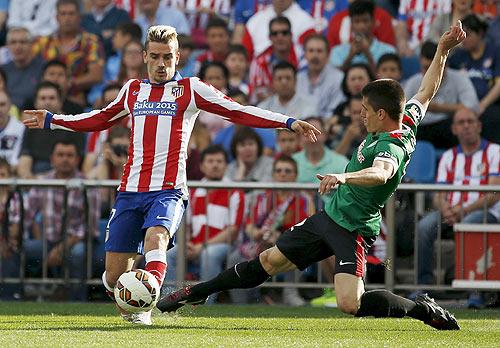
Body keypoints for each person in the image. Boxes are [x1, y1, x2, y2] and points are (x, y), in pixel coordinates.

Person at [157, 22, 466, 331]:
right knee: (267, 262)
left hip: (354, 228)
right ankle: (194, 293)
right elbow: (426, 91)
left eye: (366, 110)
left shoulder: (391, 145)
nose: (361, 115)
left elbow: (381, 173)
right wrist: (442, 49)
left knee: (350, 304)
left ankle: (421, 309)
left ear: (382, 115)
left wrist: (344, 178)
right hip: (329, 217)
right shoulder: (407, 118)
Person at [22, 25, 319, 325]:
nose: (161, 64)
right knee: (114, 277)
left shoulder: (191, 89)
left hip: (169, 190)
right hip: (130, 191)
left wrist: (287, 121)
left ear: (178, 57)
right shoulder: (132, 91)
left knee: (156, 238)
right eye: (155, 57)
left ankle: (145, 304)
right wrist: (52, 120)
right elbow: (99, 119)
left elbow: (237, 111)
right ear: (144, 57)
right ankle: (131, 297)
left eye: (167, 57)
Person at [414, 108, 500, 304]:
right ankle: (424, 287)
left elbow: (494, 193)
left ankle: (476, 291)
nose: (466, 126)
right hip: (451, 212)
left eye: (471, 121)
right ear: (453, 129)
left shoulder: (495, 152)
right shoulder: (449, 156)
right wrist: (444, 207)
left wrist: (463, 211)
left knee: (470, 223)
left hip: (484, 212)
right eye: (461, 122)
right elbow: (439, 194)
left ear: (479, 126)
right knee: (424, 226)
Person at [165, 144, 245, 304]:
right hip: (194, 244)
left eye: (219, 161)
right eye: (210, 161)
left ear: (226, 165)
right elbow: (185, 225)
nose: (215, 165)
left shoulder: (235, 192)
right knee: (168, 254)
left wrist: (202, 246)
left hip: (224, 245)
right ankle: (171, 299)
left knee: (209, 254)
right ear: (202, 165)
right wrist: (187, 242)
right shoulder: (192, 191)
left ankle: (207, 304)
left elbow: (232, 231)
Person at [22, 140, 101, 301]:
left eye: (70, 155)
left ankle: (77, 301)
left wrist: (61, 248)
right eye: (60, 155)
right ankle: (12, 296)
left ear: (77, 160)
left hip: (77, 242)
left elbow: (89, 227)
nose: (65, 159)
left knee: (78, 253)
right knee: (19, 246)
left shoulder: (88, 186)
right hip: (47, 241)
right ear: (52, 158)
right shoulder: (43, 182)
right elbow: (26, 214)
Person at [404, 40, 479, 149]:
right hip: (421, 128)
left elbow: (472, 107)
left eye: (435, 68)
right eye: (426, 68)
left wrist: (437, 108)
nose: (430, 73)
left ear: (446, 64)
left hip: (447, 127)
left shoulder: (459, 78)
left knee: (463, 123)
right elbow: (402, 111)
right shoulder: (413, 82)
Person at [32, 0, 105, 107]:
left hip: (77, 100)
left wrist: (69, 83)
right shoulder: (43, 42)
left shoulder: (91, 41)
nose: (67, 18)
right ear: (56, 17)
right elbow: (32, 71)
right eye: (63, 14)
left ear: (79, 17)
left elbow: (96, 75)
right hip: (45, 98)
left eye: (71, 13)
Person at [18, 82, 85, 178]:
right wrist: (30, 180)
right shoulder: (31, 126)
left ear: (60, 102)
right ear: (35, 103)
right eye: (43, 98)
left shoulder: (72, 124)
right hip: (37, 178)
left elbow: (77, 159)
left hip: (67, 175)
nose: (47, 102)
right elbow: (25, 157)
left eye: (52, 98)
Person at [329, 0, 396, 73]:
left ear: (373, 22)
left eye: (365, 21)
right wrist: (350, 56)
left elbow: (385, 80)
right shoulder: (337, 52)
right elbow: (336, 79)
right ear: (351, 24)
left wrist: (368, 54)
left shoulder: (388, 51)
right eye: (357, 21)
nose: (361, 26)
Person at [249, 16, 300, 103]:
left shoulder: (302, 56)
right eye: (275, 33)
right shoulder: (260, 61)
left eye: (284, 33)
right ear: (269, 37)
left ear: (291, 35)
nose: (280, 37)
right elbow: (257, 94)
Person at [296, 34, 344, 117]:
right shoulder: (297, 79)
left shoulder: (338, 78)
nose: (315, 56)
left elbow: (335, 111)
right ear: (305, 54)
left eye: (319, 51)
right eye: (311, 51)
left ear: (328, 55)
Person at [1, 27, 45, 109]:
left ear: (31, 44)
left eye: (23, 42)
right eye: (13, 42)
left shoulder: (43, 68)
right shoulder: (2, 70)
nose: (18, 46)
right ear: (7, 46)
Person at [0, 90, 25, 168]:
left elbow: (17, 160)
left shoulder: (21, 128)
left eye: (2, 104)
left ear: (10, 106)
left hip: (12, 175)